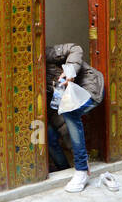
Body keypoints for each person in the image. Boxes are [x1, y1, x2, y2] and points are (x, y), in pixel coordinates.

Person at [44, 42, 105, 192]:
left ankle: (81, 170)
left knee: (69, 112)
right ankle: (68, 168)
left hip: (90, 87)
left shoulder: (46, 53)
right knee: (49, 132)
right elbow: (63, 124)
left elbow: (75, 48)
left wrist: (70, 72)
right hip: (69, 100)